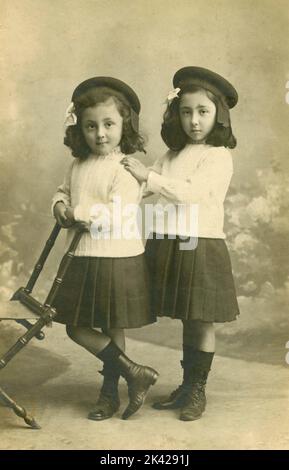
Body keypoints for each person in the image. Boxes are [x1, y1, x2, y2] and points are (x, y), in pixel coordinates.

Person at [121, 66, 240, 421]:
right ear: (176, 114)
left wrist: (150, 178)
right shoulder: (170, 156)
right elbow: (141, 188)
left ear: (218, 114)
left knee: (200, 319)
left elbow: (194, 194)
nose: (194, 121)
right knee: (187, 318)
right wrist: (119, 175)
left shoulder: (218, 155)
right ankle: (186, 386)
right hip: (169, 241)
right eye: (186, 112)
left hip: (199, 242)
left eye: (203, 111)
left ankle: (197, 389)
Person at [51, 76, 158, 421]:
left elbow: (116, 214)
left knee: (113, 326)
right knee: (75, 326)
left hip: (116, 257)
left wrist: (76, 213)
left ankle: (109, 394)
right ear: (78, 129)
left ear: (123, 124)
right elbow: (63, 191)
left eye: (108, 124)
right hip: (82, 257)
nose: (100, 133)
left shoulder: (124, 167)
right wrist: (59, 206)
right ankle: (134, 372)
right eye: (90, 126)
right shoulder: (78, 164)